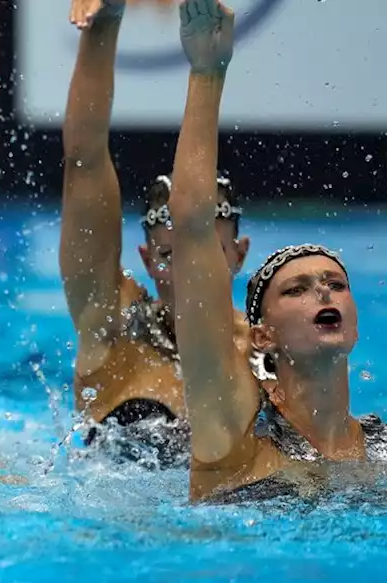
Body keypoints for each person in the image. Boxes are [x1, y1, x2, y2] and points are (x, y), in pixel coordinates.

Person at [165, 0, 385, 502]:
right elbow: (193, 229)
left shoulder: (382, 448)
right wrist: (206, 74)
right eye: (298, 289)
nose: (323, 292)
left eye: (334, 283)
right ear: (262, 334)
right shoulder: (233, 432)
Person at [59, 0, 251, 468]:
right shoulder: (112, 328)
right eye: (169, 256)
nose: (188, 273)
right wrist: (101, 28)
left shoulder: (264, 350)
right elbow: (84, 163)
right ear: (146, 261)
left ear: (238, 256)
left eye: (204, 253)